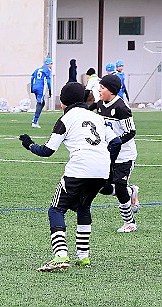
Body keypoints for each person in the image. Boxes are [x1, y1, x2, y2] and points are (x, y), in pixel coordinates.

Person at [19, 82, 122, 272]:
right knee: (84, 208)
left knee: (56, 210)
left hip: (79, 170)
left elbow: (47, 151)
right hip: (101, 170)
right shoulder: (97, 117)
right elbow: (115, 141)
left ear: (64, 102)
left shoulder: (65, 119)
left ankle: (60, 256)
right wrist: (107, 163)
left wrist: (29, 144)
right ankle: (83, 257)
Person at [89, 75, 139, 232]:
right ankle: (131, 191)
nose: (99, 89)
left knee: (119, 186)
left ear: (111, 91)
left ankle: (129, 222)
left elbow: (131, 132)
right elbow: (87, 109)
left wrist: (115, 143)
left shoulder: (122, 108)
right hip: (109, 154)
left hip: (125, 155)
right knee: (102, 187)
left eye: (102, 88)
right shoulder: (100, 104)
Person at [30, 57, 52, 128]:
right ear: (48, 64)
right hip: (40, 88)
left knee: (42, 103)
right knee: (40, 103)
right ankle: (34, 121)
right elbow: (48, 81)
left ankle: (35, 119)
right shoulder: (47, 70)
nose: (51, 65)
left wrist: (32, 87)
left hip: (35, 87)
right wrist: (50, 89)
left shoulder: (37, 69)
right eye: (51, 64)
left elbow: (32, 78)